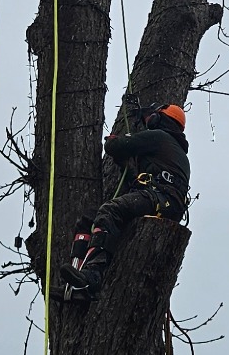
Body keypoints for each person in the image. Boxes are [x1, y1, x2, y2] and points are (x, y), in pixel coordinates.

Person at [65, 103, 189, 298]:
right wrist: (126, 167)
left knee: (110, 210)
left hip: (160, 199)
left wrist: (114, 143)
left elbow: (117, 146)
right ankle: (75, 282)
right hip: (160, 200)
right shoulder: (170, 150)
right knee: (89, 219)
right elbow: (138, 184)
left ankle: (93, 274)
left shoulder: (160, 137)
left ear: (161, 119)